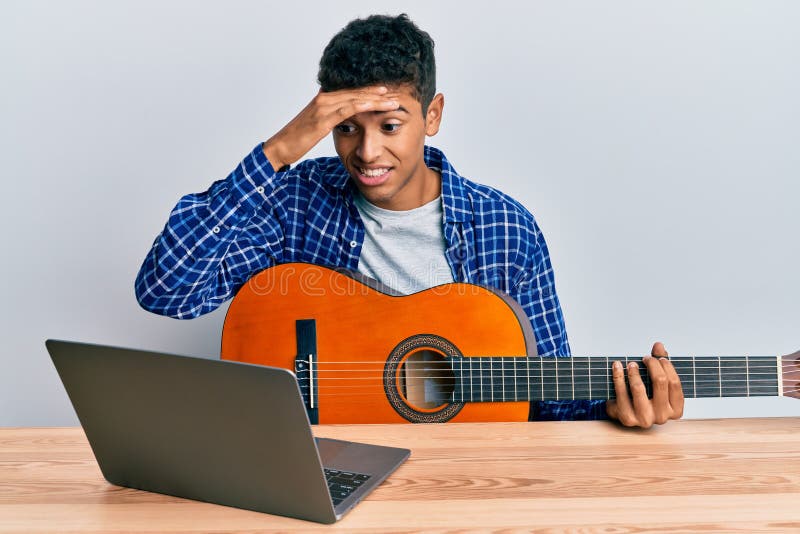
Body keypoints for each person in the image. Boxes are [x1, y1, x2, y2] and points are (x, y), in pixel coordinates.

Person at [135, 14, 683, 428]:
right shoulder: (293, 203)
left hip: (461, 488)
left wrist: (620, 405)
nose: (367, 151)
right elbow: (167, 291)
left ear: (433, 115)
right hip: (318, 470)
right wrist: (279, 151)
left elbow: (550, 400)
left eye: (390, 126)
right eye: (346, 127)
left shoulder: (506, 228)